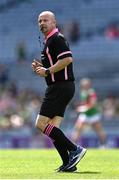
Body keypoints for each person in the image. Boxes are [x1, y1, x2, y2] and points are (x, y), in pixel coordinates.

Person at [31, 11, 86, 172]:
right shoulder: (49, 41)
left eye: (45, 20)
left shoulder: (57, 38)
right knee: (53, 127)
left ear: (54, 22)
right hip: (62, 87)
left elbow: (67, 59)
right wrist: (42, 69)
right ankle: (68, 162)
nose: (42, 23)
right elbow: (55, 66)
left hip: (60, 87)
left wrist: (47, 71)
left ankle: (75, 150)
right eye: (39, 21)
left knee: (40, 124)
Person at [71, 78, 106, 148]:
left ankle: (103, 145)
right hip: (85, 115)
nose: (84, 85)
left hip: (93, 115)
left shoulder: (91, 92)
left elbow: (92, 104)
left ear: (89, 85)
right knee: (77, 129)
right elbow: (84, 103)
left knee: (99, 130)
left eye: (86, 84)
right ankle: (73, 146)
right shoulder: (83, 92)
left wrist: (82, 109)